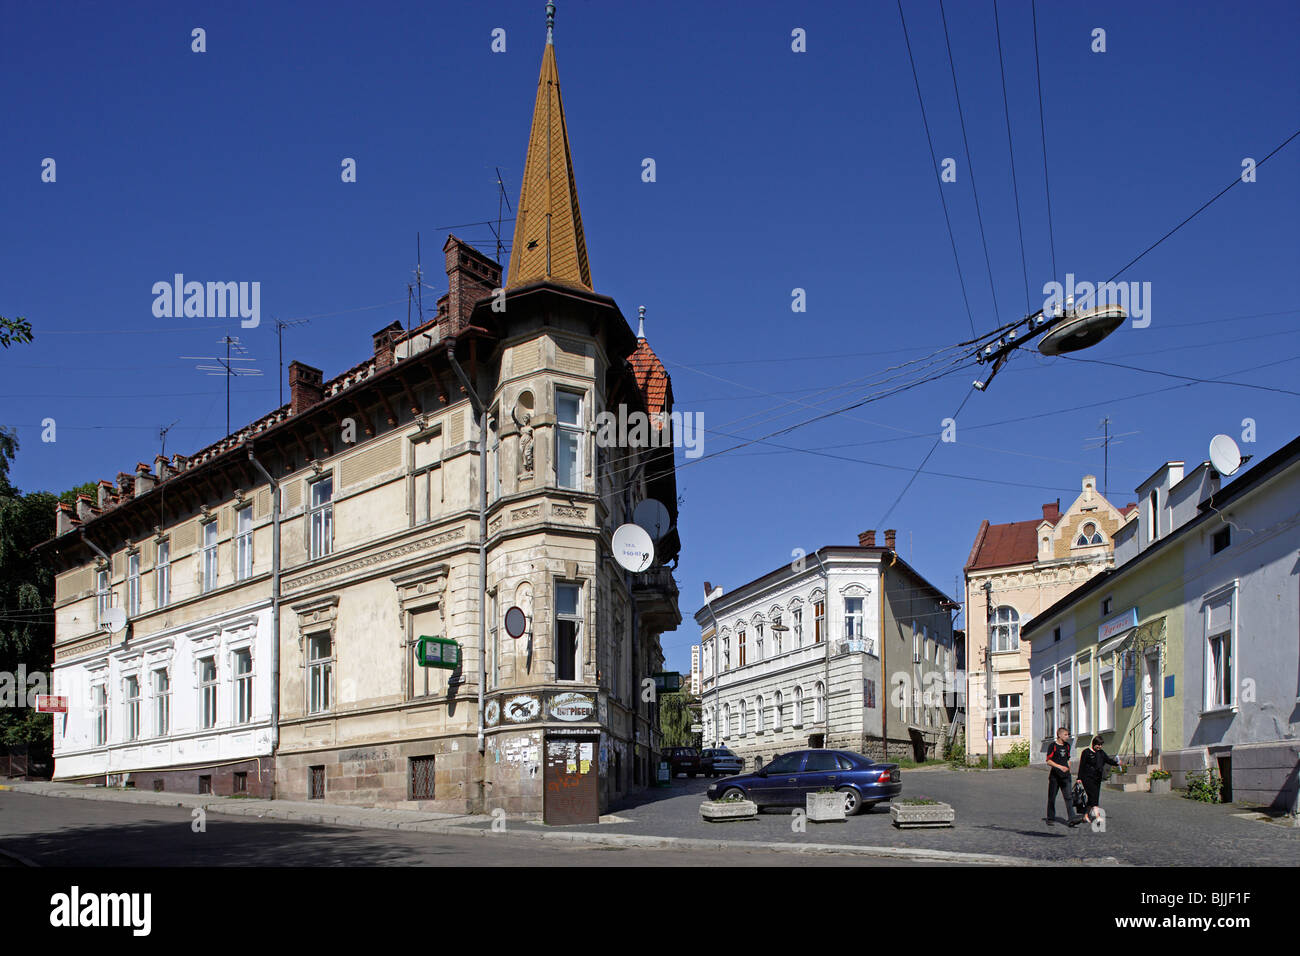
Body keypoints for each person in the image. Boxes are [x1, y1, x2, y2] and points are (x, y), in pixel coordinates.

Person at [1077, 735, 1123, 825]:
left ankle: (1085, 816)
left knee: (1093, 797)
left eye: (1101, 745)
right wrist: (1079, 778)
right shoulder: (1086, 752)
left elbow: (1108, 760)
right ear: (1094, 743)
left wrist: (1117, 763)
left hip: (1097, 778)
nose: (1100, 747)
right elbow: (1082, 765)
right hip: (1087, 778)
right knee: (1093, 796)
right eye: (1098, 745)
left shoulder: (1101, 753)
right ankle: (1097, 816)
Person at [1045, 727, 1083, 827]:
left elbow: (1067, 758)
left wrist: (1068, 765)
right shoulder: (1052, 746)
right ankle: (1050, 818)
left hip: (1066, 776)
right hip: (1055, 776)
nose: (1067, 737)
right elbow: (1048, 761)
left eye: (1068, 735)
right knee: (1052, 797)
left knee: (1069, 797)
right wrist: (1060, 767)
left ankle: (1072, 818)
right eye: (1065, 735)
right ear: (1059, 735)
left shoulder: (1067, 746)